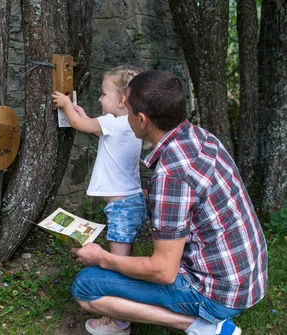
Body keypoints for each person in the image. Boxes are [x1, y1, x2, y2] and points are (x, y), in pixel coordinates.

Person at [69, 70, 268, 335]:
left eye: (127, 111)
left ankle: (202, 326)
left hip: (217, 295)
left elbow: (163, 272)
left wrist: (103, 258)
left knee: (86, 287)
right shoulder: (201, 137)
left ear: (142, 120)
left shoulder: (170, 175)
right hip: (247, 280)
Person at [52, 66, 147, 331]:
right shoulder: (130, 125)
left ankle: (117, 319)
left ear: (121, 100)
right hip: (133, 204)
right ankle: (132, 300)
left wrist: (66, 104)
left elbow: (77, 124)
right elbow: (100, 133)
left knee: (116, 266)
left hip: (120, 208)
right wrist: (84, 116)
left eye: (103, 94)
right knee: (126, 259)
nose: (99, 99)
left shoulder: (112, 123)